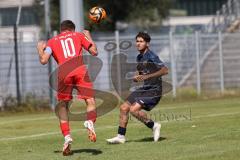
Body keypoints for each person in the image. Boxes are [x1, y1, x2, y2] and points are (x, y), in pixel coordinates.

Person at [37, 20, 98, 156]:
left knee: (63, 106)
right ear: (72, 29)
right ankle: (89, 121)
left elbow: (43, 60)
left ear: (61, 30)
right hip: (80, 70)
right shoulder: (78, 36)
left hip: (64, 73)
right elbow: (94, 52)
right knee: (90, 100)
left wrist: (39, 49)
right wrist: (89, 37)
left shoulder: (52, 41)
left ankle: (67, 136)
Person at [106, 32, 168, 144]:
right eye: (137, 41)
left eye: (141, 41)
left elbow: (165, 70)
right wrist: (136, 76)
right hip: (145, 88)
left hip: (154, 90)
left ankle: (154, 125)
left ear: (147, 44)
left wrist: (147, 76)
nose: (138, 43)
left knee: (133, 110)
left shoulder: (152, 56)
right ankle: (120, 137)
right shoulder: (140, 56)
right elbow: (140, 70)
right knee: (124, 108)